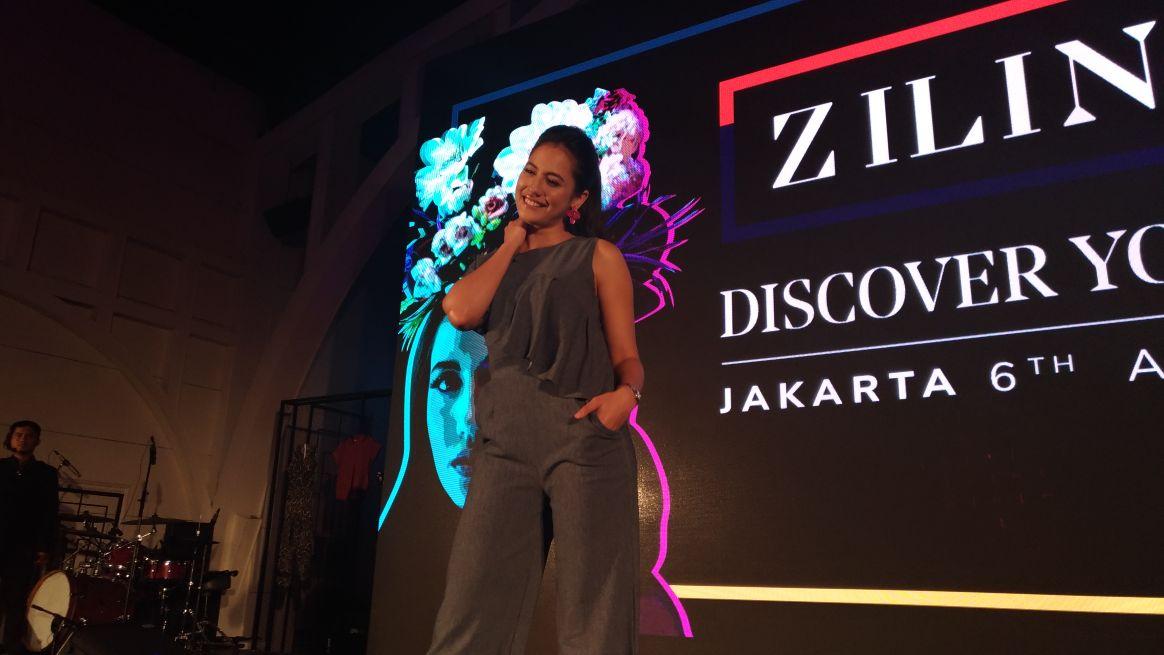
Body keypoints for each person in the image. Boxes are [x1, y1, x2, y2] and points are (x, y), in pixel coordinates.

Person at [427, 124, 643, 654]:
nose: (535, 187)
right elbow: (460, 311)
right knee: (469, 610)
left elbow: (627, 357)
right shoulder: (498, 261)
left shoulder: (597, 255)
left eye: (553, 180)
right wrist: (509, 245)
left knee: (594, 614)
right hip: (503, 443)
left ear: (578, 199)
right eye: (530, 172)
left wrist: (626, 397)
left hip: (581, 437)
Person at [0, 421, 59, 655]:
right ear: (11, 438)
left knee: (16, 599)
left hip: (24, 545)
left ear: (37, 441)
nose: (23, 439)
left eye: (29, 435)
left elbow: (49, 512)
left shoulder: (46, 473)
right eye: (19, 435)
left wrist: (44, 547)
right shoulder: (1, 467)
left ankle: (10, 648)